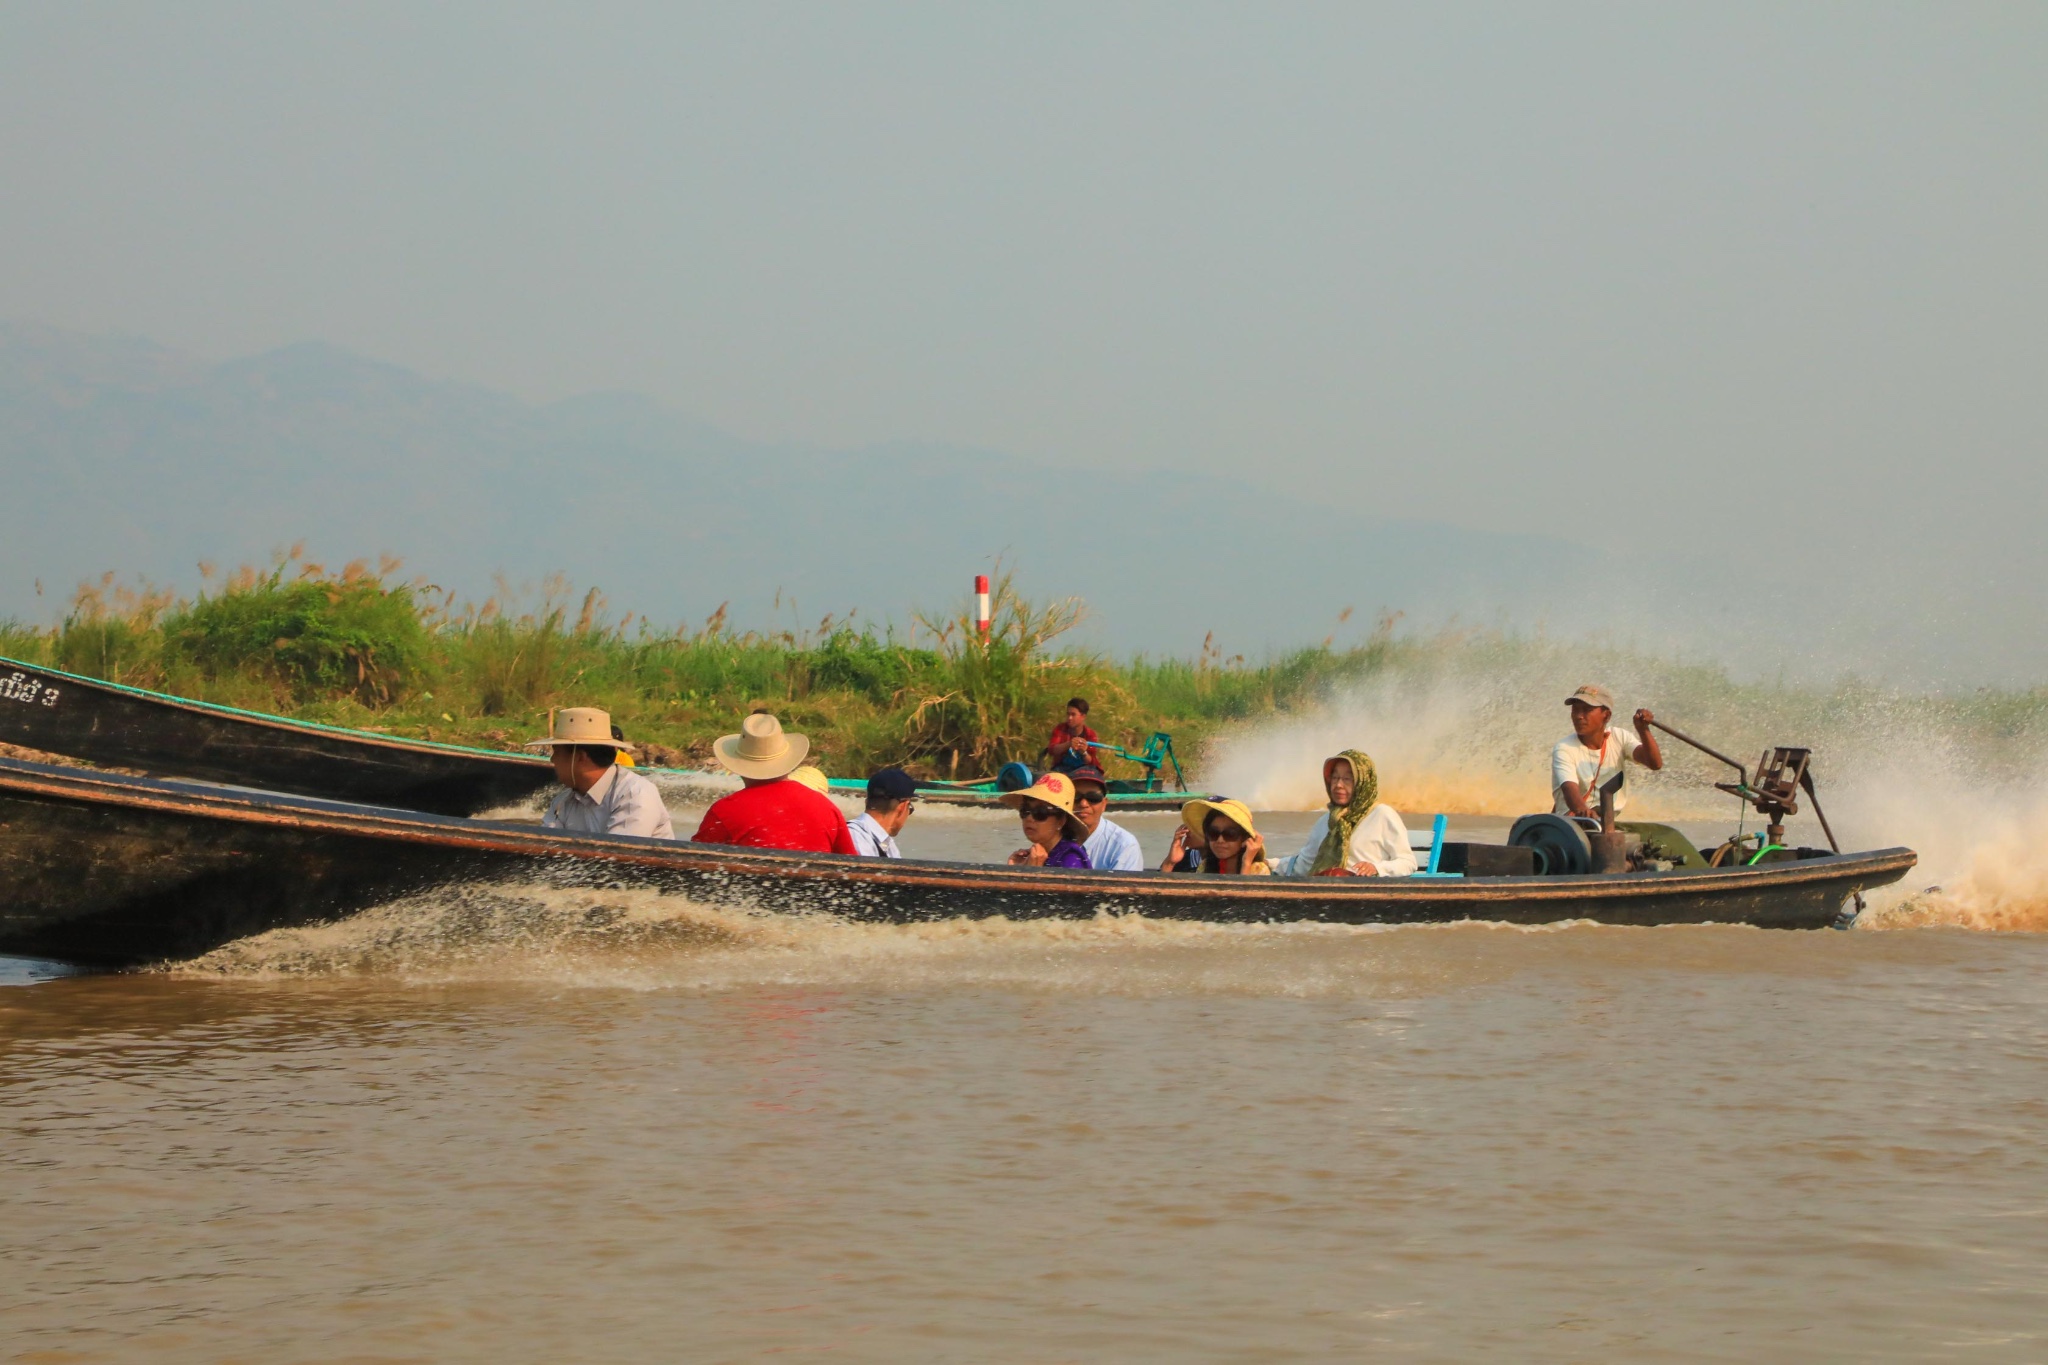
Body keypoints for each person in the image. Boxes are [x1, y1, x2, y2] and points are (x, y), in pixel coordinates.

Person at [692, 712, 858, 854]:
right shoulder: (826, 808)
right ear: (788, 759)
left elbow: (694, 867)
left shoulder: (724, 812)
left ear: (738, 764)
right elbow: (850, 869)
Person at [525, 707, 674, 839]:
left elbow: (617, 861)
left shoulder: (635, 794)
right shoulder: (562, 802)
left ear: (580, 757)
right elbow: (546, 852)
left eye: (556, 752)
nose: (552, 759)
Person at [1267, 749, 1416, 877]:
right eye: (1335, 777)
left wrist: (1377, 868)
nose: (1338, 785)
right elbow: (1303, 865)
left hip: (1369, 896)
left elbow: (1408, 863)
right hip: (1328, 896)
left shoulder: (1382, 815)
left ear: (1363, 782)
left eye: (1347, 779)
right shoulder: (1325, 822)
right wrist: (1266, 863)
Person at [1552, 685, 1663, 820]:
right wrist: (1584, 811)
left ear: (1606, 716)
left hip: (1605, 823)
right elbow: (1569, 789)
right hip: (1572, 823)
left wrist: (1643, 730)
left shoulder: (1619, 737)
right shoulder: (1564, 748)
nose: (1579, 716)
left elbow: (1655, 764)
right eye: (1575, 710)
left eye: (1587, 710)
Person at [999, 771, 1093, 868]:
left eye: (1040, 812)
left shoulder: (1071, 859)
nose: (1029, 818)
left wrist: (1032, 872)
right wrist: (1015, 870)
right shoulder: (1037, 856)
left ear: (1061, 821)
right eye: (1025, 811)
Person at [1162, 798, 1271, 874]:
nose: (1220, 840)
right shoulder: (1205, 866)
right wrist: (1170, 863)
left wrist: (1246, 863)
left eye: (1229, 834)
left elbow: (1246, 906)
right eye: (1213, 833)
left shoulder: (1259, 870)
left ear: (1244, 839)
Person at [1069, 764, 1146, 871]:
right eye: (1076, 797)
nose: (1083, 804)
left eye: (1093, 798)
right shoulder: (1052, 836)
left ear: (1104, 804)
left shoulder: (1123, 845)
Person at [849, 767, 917, 858]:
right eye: (910, 809)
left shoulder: (885, 843)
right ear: (902, 807)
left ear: (866, 802)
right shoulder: (856, 836)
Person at [1041, 698, 1098, 774]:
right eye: (1068, 714)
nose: (1069, 718)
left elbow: (1091, 760)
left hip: (1082, 771)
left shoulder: (1090, 734)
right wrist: (1069, 744)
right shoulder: (1060, 729)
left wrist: (1083, 752)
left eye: (1073, 715)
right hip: (1061, 769)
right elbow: (1052, 750)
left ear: (1083, 717)